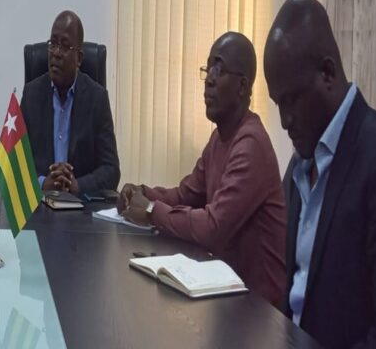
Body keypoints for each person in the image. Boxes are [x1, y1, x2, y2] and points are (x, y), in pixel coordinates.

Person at [264, 0, 376, 349]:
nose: (283, 121)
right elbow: (296, 300)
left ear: (327, 73)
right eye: (277, 103)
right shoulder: (299, 168)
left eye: (291, 100)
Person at [118, 32, 286, 306]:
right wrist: (143, 192)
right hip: (225, 294)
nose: (209, 80)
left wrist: (150, 210)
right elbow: (186, 194)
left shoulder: (250, 144)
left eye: (219, 69)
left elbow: (213, 226)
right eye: (208, 69)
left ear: (243, 86)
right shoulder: (220, 137)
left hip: (260, 311)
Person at [21, 10, 120, 196]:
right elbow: (17, 164)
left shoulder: (97, 99)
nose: (56, 53)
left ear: (79, 59)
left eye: (65, 46)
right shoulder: (31, 95)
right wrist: (42, 182)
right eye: (53, 44)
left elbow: (111, 170)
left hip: (81, 206)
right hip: (42, 205)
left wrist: (77, 185)